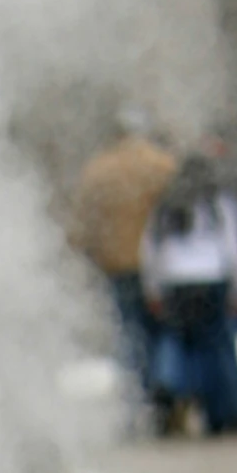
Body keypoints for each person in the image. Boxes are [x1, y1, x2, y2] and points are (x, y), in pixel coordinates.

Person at [68, 109, 176, 401]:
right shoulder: (163, 164)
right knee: (162, 333)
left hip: (115, 265)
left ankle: (137, 405)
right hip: (162, 265)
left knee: (128, 337)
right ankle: (165, 399)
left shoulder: (96, 171)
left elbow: (80, 224)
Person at [139, 153, 237, 435]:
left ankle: (168, 387)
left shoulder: (167, 204)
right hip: (212, 276)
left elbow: (150, 247)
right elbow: (234, 248)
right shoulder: (218, 202)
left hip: (175, 280)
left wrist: (152, 288)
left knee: (175, 340)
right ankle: (226, 411)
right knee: (217, 347)